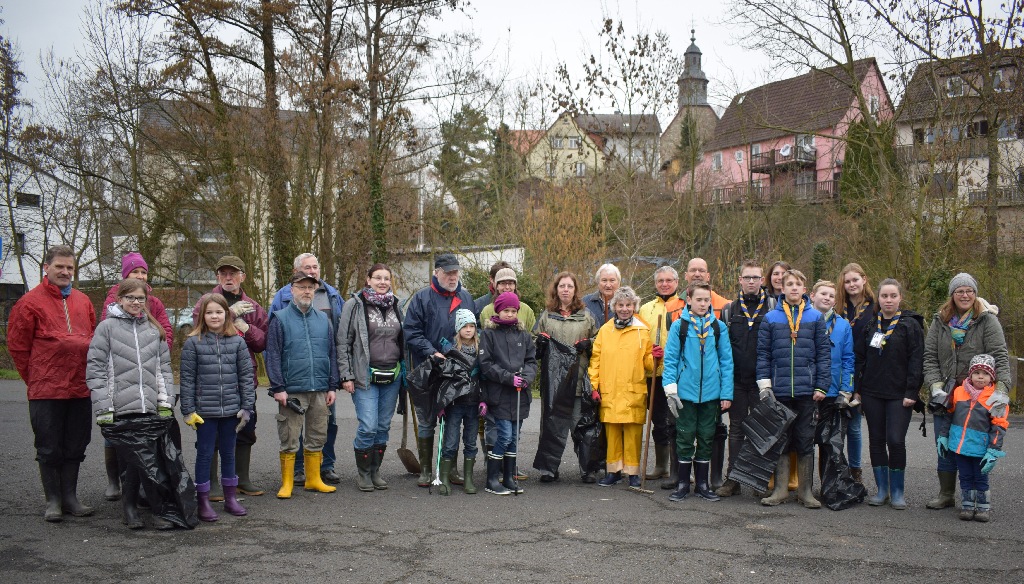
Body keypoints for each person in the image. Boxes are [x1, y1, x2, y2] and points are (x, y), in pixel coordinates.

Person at [7, 245, 96, 523]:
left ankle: (70, 497)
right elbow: (18, 348)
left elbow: (94, 339)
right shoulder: (29, 302)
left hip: (80, 387)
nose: (65, 272)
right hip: (46, 388)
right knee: (48, 446)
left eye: (70, 267)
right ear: (47, 268)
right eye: (60, 266)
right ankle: (53, 500)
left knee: (76, 444)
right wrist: (36, 378)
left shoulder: (83, 301)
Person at [88, 278, 175, 529]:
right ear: (120, 299)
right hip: (120, 408)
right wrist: (104, 407)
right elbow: (96, 369)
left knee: (149, 460)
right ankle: (129, 508)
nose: (136, 302)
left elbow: (163, 370)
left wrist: (165, 401)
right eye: (130, 298)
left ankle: (156, 509)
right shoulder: (106, 328)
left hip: (148, 406)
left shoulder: (153, 329)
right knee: (129, 461)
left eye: (140, 298)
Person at [922, 272, 1010, 510]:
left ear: (975, 293)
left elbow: (1000, 357)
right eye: (959, 291)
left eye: (969, 290)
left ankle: (976, 496)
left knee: (975, 447)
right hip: (947, 396)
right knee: (945, 444)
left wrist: (1001, 390)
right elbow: (929, 357)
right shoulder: (940, 321)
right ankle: (946, 494)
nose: (965, 294)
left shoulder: (987, 321)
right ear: (952, 295)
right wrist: (935, 385)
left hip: (978, 397)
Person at [99, 252, 174, 501]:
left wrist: (155, 351)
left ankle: (141, 486)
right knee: (118, 434)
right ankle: (116, 481)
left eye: (143, 272)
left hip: (147, 376)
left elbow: (165, 331)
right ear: (125, 277)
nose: (140, 276)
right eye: (135, 272)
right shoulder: (112, 304)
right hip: (121, 378)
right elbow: (105, 344)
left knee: (144, 434)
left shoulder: (154, 303)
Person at [192, 255, 268, 499]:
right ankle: (212, 482)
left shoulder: (254, 307)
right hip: (211, 380)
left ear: (242, 277)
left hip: (242, 379)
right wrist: (227, 315)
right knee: (210, 433)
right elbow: (197, 333)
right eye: (223, 273)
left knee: (245, 429)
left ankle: (241, 478)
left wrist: (246, 327)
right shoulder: (205, 302)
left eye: (233, 273)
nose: (228, 277)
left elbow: (262, 343)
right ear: (217, 277)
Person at [757, 269, 830, 509]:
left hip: (807, 391)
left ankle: (805, 491)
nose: (794, 288)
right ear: (782, 288)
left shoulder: (816, 318)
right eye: (789, 284)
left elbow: (823, 355)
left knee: (805, 440)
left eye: (798, 284)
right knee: (781, 440)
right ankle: (780, 490)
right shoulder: (770, 318)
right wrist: (765, 385)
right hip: (778, 390)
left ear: (804, 289)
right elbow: (763, 355)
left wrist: (821, 385)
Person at [270, 253, 345, 485]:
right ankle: (288, 482)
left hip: (320, 388)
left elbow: (332, 351)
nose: (306, 291)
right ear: (291, 290)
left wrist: (332, 385)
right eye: (301, 287)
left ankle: (314, 479)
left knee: (318, 434)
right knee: (290, 436)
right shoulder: (279, 318)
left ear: (315, 290)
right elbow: (272, 354)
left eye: (310, 288)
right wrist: (278, 387)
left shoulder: (324, 319)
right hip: (292, 388)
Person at [179, 293, 255, 521]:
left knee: (229, 453)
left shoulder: (238, 342)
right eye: (209, 312)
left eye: (219, 312)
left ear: (227, 315)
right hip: (204, 412)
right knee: (204, 454)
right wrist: (188, 410)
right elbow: (187, 380)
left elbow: (246, 377)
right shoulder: (193, 343)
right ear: (203, 315)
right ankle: (202, 501)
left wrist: (247, 407)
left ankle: (230, 497)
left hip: (231, 411)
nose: (214, 316)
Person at [402, 253, 474, 487]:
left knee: (453, 418)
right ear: (437, 272)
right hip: (428, 366)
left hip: (456, 369)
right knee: (427, 418)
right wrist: (431, 352)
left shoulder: (466, 297)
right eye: (448, 272)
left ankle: (450, 469)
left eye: (456, 272)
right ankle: (425, 470)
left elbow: (473, 331)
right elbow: (411, 332)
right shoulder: (421, 298)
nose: (453, 277)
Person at [854, 278, 923, 510]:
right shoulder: (871, 325)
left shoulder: (910, 325)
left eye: (893, 296)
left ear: (900, 298)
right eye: (884, 296)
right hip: (872, 392)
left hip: (899, 394)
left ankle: (897, 491)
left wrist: (912, 391)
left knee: (895, 440)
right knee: (876, 441)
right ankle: (882, 490)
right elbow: (861, 359)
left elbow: (916, 360)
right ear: (879, 299)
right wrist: (858, 390)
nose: (888, 300)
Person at [662, 280, 734, 502]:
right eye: (699, 300)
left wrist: (726, 394)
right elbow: (671, 359)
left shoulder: (718, 327)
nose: (703, 304)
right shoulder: (679, 326)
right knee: (684, 436)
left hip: (711, 394)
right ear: (689, 300)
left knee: (706, 437)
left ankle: (702, 484)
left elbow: (726, 362)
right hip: (685, 394)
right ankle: (684, 483)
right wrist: (671, 390)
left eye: (707, 300)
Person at [337, 263, 405, 492]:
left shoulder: (397, 305)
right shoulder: (354, 305)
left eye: (387, 278)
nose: (383, 282)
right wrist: (346, 375)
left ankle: (375, 471)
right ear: (368, 279)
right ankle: (363, 473)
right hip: (364, 375)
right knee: (368, 426)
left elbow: (403, 340)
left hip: (392, 375)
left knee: (383, 426)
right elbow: (343, 341)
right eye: (378, 277)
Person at [717, 260, 776, 497]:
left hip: (763, 382)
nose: (751, 281)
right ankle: (732, 480)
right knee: (737, 431)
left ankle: (759, 481)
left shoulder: (773, 308)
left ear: (762, 281)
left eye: (755, 277)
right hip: (737, 382)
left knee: (762, 432)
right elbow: (722, 349)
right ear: (740, 280)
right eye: (747, 277)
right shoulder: (729, 310)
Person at [532, 271, 599, 482]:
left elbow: (599, 340)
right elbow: (533, 344)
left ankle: (587, 469)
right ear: (556, 289)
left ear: (575, 290)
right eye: (562, 286)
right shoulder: (546, 315)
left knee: (580, 426)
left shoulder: (586, 315)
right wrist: (539, 344)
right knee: (552, 426)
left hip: (578, 380)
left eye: (570, 286)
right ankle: (549, 470)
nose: (566, 290)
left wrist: (590, 344)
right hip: (553, 383)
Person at [589, 286, 655, 489]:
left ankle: (633, 473)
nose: (624, 308)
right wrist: (593, 386)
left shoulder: (642, 331)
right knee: (613, 434)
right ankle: (613, 471)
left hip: (633, 391)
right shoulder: (605, 331)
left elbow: (649, 365)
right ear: (614, 306)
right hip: (609, 391)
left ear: (634, 306)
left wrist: (656, 358)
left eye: (628, 305)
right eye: (620, 305)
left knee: (633, 434)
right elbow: (596, 360)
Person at [936, 354, 1009, 522]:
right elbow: (949, 415)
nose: (981, 376)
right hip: (960, 446)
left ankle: (983, 506)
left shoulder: (996, 398)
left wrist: (993, 450)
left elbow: (999, 425)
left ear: (992, 376)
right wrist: (943, 436)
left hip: (981, 448)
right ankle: (967, 504)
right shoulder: (959, 391)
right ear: (970, 374)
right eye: (977, 373)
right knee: (965, 476)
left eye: (985, 373)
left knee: (980, 477)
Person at [480, 292, 537, 495]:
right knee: (503, 436)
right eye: (506, 310)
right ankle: (492, 478)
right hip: (500, 394)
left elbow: (531, 361)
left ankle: (509, 477)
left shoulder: (524, 335)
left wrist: (526, 378)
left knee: (514, 437)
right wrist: (508, 378)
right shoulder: (488, 334)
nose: (510, 314)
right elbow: (486, 364)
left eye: (513, 311)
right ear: (498, 310)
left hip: (520, 395)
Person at [636, 266, 686, 487]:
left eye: (669, 280)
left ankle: (680, 467)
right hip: (651, 372)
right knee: (658, 421)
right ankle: (661, 465)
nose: (664, 284)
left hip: (676, 374)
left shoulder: (685, 307)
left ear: (676, 282)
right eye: (660, 281)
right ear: (655, 284)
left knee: (676, 422)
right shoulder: (645, 309)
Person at [808, 280, 855, 482]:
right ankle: (804, 487)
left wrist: (847, 389)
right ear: (812, 296)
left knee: (830, 444)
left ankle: (828, 487)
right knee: (804, 442)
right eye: (823, 294)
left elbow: (848, 359)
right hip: (806, 390)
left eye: (831, 296)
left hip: (833, 391)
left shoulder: (843, 325)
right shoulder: (802, 320)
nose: (827, 298)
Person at [835, 262, 876, 484]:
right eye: (847, 281)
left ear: (864, 280)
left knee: (854, 426)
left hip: (862, 372)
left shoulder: (874, 308)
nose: (851, 284)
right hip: (837, 372)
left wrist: (860, 388)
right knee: (836, 426)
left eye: (855, 280)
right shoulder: (837, 308)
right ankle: (836, 470)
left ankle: (856, 470)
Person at [438, 309, 483, 495]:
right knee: (450, 442)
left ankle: (469, 479)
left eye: (472, 326)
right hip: (455, 404)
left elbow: (485, 377)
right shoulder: (450, 350)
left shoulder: (481, 350)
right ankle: (444, 478)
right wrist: (441, 404)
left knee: (471, 443)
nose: (468, 329)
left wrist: (485, 401)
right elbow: (443, 379)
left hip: (474, 403)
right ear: (458, 328)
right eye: (464, 326)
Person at [478, 268, 536, 332]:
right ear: (497, 286)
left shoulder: (527, 310)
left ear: (515, 286)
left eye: (510, 283)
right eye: (503, 283)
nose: (507, 287)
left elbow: (532, 336)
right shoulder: (486, 311)